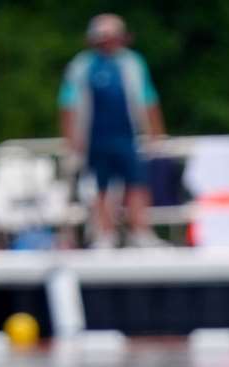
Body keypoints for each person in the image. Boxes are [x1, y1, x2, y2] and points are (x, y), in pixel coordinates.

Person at [59, 13, 167, 249]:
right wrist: (71, 139)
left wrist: (156, 133)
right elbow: (68, 103)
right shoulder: (82, 66)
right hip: (95, 137)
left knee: (137, 182)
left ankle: (141, 230)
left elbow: (148, 98)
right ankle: (104, 233)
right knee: (99, 187)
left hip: (128, 135)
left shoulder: (132, 64)